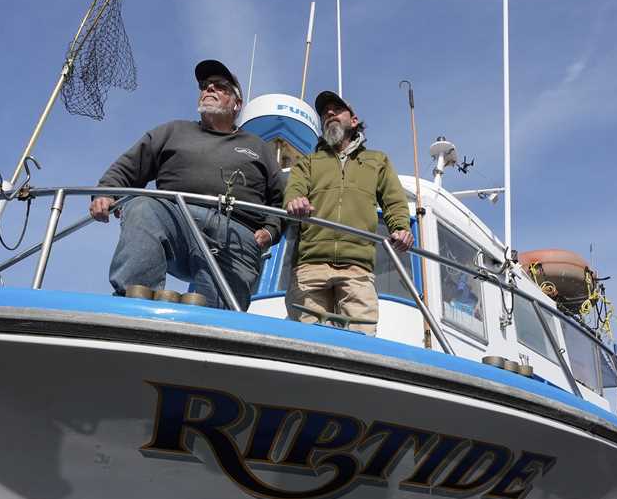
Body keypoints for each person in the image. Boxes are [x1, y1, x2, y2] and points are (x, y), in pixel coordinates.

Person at [90, 59, 284, 310]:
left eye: (220, 86)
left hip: (236, 232)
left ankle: (215, 329)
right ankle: (133, 306)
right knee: (143, 206)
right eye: (205, 85)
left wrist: (271, 231)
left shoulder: (258, 147)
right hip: (174, 217)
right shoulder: (172, 131)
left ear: (237, 104)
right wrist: (106, 193)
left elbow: (283, 197)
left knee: (218, 319)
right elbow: (129, 166)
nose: (209, 90)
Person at [283, 90, 413, 335]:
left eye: (336, 109)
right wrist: (295, 201)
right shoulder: (307, 163)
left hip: (358, 269)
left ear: (353, 121)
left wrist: (401, 228)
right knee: (307, 341)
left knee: (361, 342)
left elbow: (394, 202)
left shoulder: (377, 161)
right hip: (310, 265)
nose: (329, 113)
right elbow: (294, 190)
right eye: (324, 113)